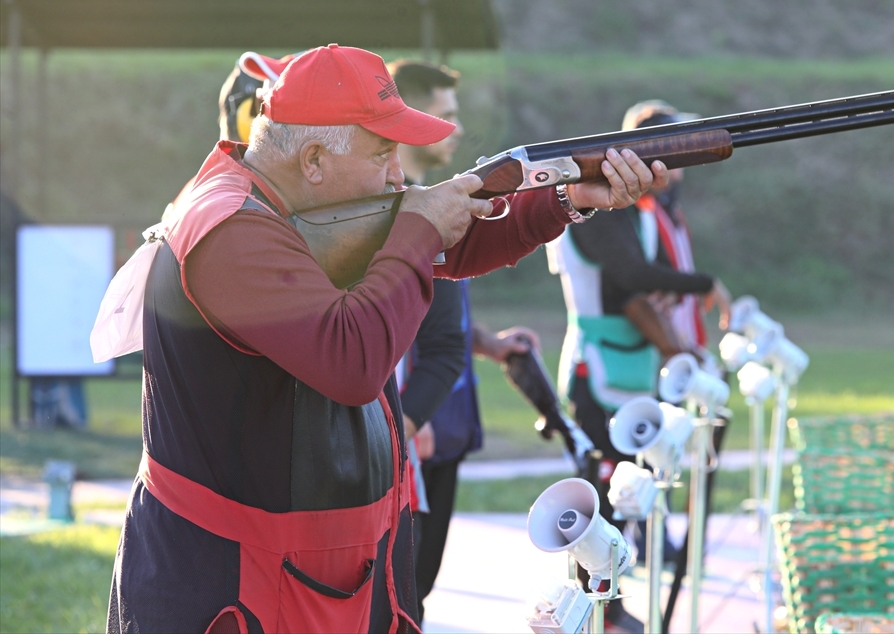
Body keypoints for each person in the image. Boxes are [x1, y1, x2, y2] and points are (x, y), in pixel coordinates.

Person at [106, 44, 666, 634]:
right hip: (235, 588)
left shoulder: (299, 201)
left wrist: (567, 196)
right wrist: (418, 229)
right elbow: (352, 360)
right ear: (316, 159)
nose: (398, 174)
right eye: (383, 152)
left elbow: (458, 242)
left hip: (317, 578)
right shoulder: (231, 229)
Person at [388, 60, 591, 624]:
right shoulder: (401, 210)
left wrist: (491, 344)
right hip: (413, 425)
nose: (454, 129)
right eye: (444, 116)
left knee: (409, 594)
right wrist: (401, 426)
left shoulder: (425, 204)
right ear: (412, 118)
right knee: (404, 596)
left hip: (428, 423)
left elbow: (431, 317)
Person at [546, 100, 730, 634]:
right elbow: (626, 281)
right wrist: (692, 306)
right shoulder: (602, 206)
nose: (680, 170)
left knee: (622, 498)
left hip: (627, 366)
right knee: (599, 497)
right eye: (675, 154)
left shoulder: (634, 210)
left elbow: (646, 281)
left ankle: (610, 609)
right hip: (597, 368)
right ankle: (597, 612)